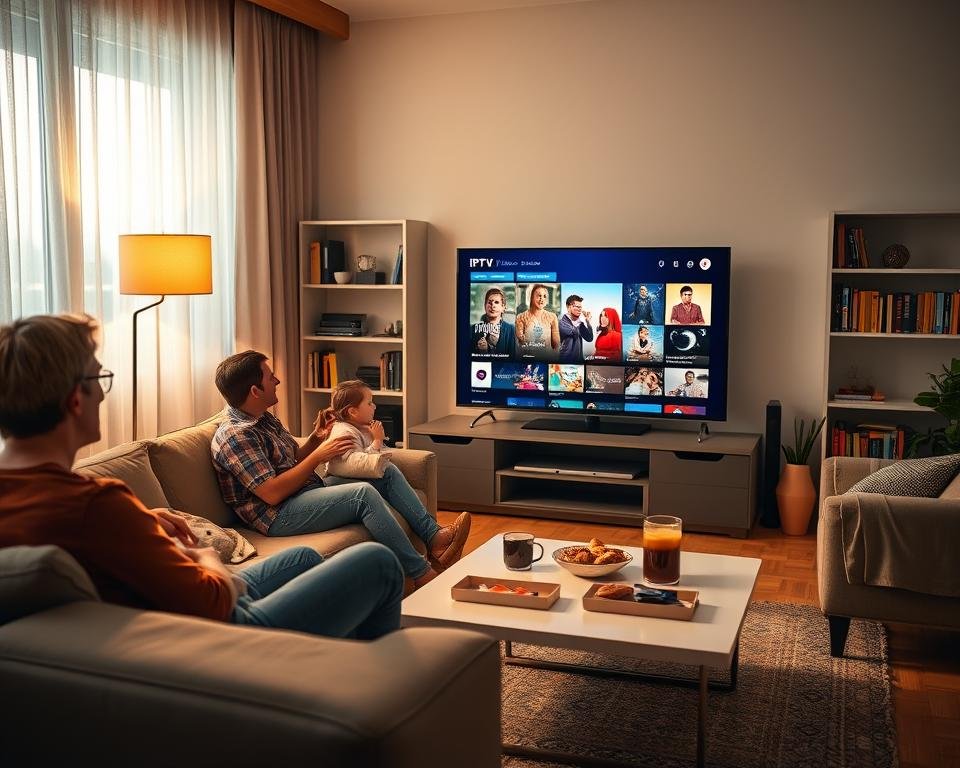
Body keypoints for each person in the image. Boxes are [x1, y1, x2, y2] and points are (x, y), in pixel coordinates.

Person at [0, 314, 402, 639]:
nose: (104, 394)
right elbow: (213, 602)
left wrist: (145, 520)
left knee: (304, 558)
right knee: (377, 562)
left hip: (173, 612)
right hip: (223, 632)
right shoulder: (98, 505)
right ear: (75, 400)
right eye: (99, 379)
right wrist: (203, 555)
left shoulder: (51, 500)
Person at [211, 350, 470, 590]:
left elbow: (291, 459)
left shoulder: (262, 417)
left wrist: (316, 438)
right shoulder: (236, 436)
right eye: (271, 377)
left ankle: (435, 539)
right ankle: (421, 573)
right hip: (277, 515)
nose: (277, 381)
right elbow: (271, 493)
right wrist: (318, 456)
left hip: (302, 492)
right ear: (255, 391)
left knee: (385, 473)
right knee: (362, 494)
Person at [514, 284, 560, 359]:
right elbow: (519, 345)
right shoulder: (521, 317)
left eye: (544, 296)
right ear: (532, 297)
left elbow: (556, 345)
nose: (542, 299)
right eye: (539, 296)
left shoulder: (552, 317)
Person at [472, 287, 516, 354]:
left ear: (503, 307)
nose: (493, 306)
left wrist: (488, 351)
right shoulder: (473, 329)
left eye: (496, 302)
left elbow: (512, 356)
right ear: (485, 306)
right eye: (489, 302)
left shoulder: (511, 330)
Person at [558, 294, 593, 362]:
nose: (579, 309)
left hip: (579, 362)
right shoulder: (561, 322)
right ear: (568, 307)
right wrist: (580, 321)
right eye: (577, 306)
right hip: (564, 362)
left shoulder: (579, 323)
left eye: (580, 307)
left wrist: (588, 322)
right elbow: (575, 332)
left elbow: (589, 338)